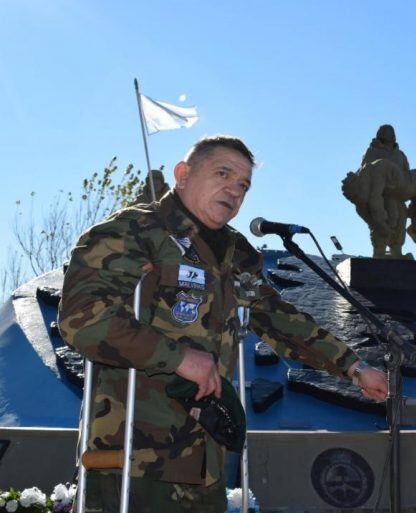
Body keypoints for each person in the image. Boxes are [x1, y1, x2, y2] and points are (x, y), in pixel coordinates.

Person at [58, 135, 388, 513]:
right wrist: (177, 357)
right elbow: (83, 320)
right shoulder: (135, 232)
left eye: (243, 185)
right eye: (222, 173)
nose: (233, 190)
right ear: (182, 174)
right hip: (137, 457)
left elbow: (279, 318)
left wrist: (352, 366)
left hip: (207, 461)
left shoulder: (238, 253)